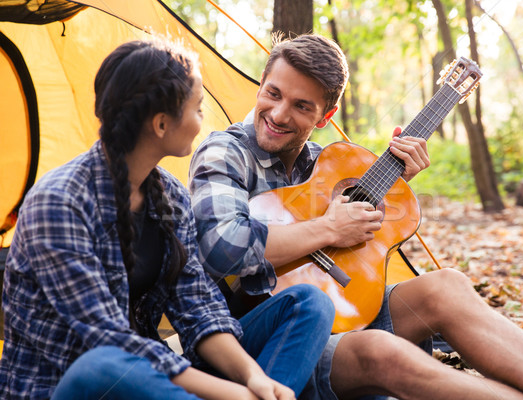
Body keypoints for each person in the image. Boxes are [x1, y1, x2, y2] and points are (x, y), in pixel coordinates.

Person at [188, 33, 523, 400]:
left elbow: (361, 245)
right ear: (260, 85)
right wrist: (328, 226)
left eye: (301, 106)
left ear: (325, 116)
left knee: (447, 286)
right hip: (262, 336)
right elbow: (222, 247)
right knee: (382, 352)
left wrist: (393, 183)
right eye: (273, 94)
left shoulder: (325, 162)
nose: (279, 114)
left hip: (342, 309)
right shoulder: (226, 152)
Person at [0, 38, 335, 400]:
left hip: (152, 373)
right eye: (198, 108)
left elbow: (198, 306)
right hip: (72, 386)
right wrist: (231, 394)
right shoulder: (60, 202)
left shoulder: (170, 197)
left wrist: (254, 377)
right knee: (102, 365)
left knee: (311, 303)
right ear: (161, 124)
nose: (203, 121)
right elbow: (111, 340)